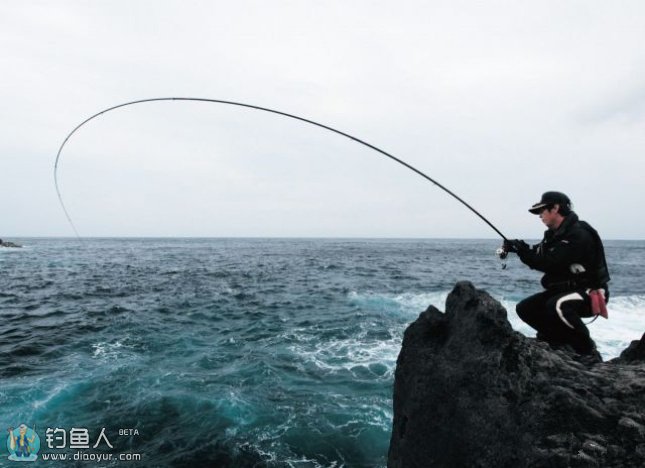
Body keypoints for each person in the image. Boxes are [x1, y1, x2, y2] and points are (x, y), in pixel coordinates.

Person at [504, 191, 610, 357]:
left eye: (542, 211)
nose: (540, 216)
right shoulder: (553, 235)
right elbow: (538, 253)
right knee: (525, 308)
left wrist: (523, 253)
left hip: (589, 293)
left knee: (558, 305)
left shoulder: (579, 234)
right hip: (563, 291)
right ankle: (557, 339)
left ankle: (587, 350)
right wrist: (518, 247)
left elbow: (551, 261)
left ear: (555, 208)